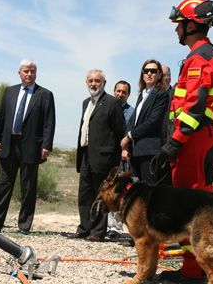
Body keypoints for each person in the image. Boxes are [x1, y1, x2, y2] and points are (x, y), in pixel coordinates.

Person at [156, 0, 213, 282]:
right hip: (204, 138)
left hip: (192, 140)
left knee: (191, 209)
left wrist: (175, 141)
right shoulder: (212, 55)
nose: (176, 31)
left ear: (191, 26)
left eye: (179, 26)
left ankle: (193, 271)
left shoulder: (199, 57)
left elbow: (195, 107)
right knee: (204, 207)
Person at [0, 59, 56, 235]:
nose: (29, 74)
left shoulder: (45, 94)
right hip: (9, 144)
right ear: (19, 73)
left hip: (32, 147)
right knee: (3, 186)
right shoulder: (10, 92)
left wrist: (47, 145)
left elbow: (49, 122)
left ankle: (24, 225)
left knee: (28, 188)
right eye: (26, 71)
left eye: (32, 71)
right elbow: (1, 116)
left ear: (36, 73)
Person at [67, 69, 126, 242]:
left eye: (97, 81)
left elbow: (119, 131)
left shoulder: (112, 102)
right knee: (84, 194)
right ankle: (84, 228)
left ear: (104, 83)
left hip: (104, 157)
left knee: (100, 194)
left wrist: (115, 155)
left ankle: (98, 231)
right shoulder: (86, 102)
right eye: (90, 81)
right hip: (86, 154)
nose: (93, 84)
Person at [120, 59, 170, 185]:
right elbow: (132, 121)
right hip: (136, 150)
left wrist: (130, 136)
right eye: (146, 71)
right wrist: (126, 143)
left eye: (153, 71)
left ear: (159, 75)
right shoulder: (142, 96)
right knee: (138, 192)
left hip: (150, 151)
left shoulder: (162, 95)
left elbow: (152, 121)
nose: (149, 73)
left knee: (148, 192)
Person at [107, 80, 134, 238]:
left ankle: (115, 228)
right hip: (107, 156)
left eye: (124, 92)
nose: (120, 94)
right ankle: (103, 226)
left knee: (119, 192)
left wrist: (126, 149)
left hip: (123, 158)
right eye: (118, 91)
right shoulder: (108, 107)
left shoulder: (132, 112)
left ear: (128, 94)